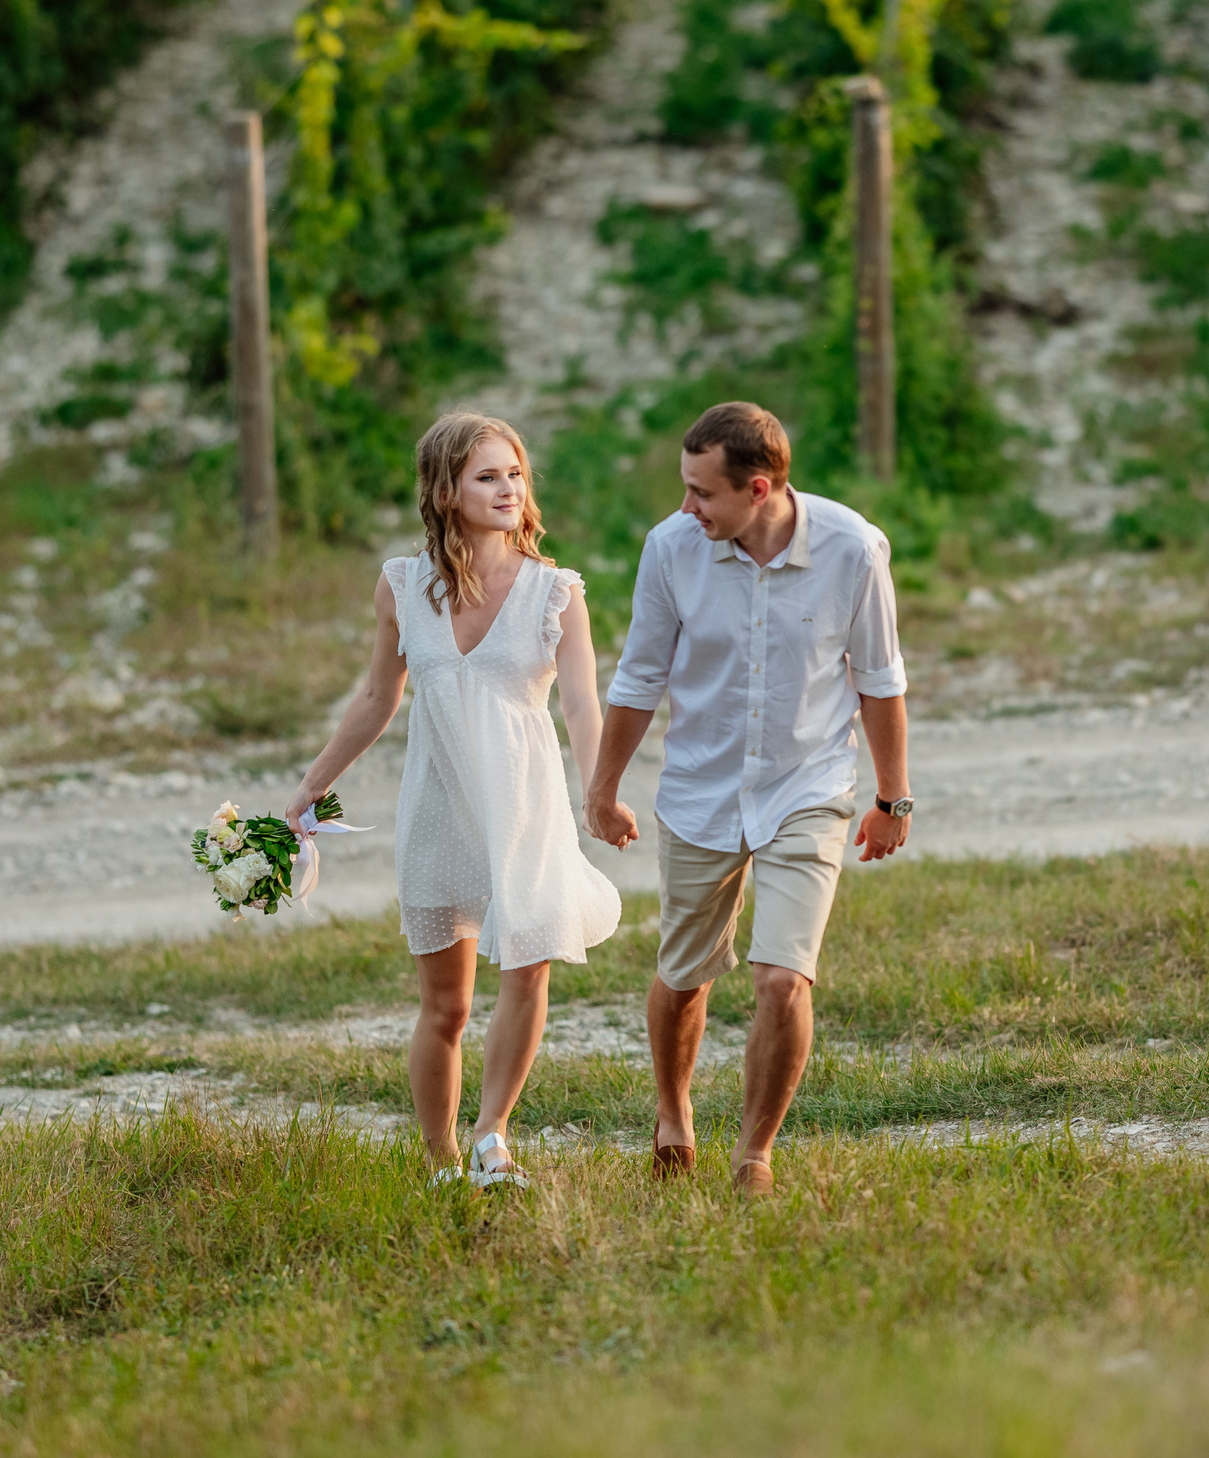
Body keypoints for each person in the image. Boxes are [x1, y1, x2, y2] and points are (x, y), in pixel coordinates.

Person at [287, 411, 623, 1189]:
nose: (508, 489)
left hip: (526, 809)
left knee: (529, 970)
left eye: (514, 474)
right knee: (446, 1006)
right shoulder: (403, 585)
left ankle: (490, 1137)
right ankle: (439, 1162)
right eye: (487, 476)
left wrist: (598, 791)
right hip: (438, 809)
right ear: (446, 491)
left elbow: (580, 704)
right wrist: (309, 789)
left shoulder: (555, 591)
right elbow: (377, 697)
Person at [585, 401, 913, 1196]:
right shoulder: (671, 548)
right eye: (685, 489)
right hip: (701, 785)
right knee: (685, 973)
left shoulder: (854, 548)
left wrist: (892, 799)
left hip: (809, 784)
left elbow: (880, 679)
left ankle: (754, 1154)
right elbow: (638, 678)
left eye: (702, 493)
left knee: (781, 978)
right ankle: (673, 1114)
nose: (686, 507)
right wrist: (603, 787)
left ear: (758, 488)